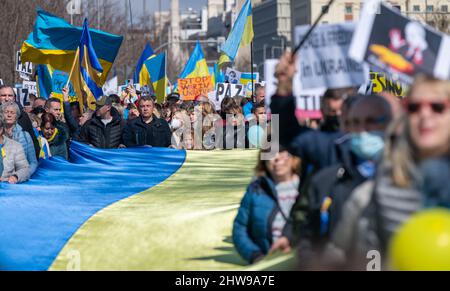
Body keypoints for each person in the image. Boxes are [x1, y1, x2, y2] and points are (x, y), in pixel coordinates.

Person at [233, 148, 301, 263]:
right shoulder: (255, 191)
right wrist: (255, 255)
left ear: (294, 157)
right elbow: (240, 229)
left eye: (283, 152)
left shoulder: (310, 186)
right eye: (271, 153)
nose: (277, 158)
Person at [0, 85, 40, 158]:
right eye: (3, 95)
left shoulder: (23, 116)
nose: (6, 98)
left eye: (10, 95)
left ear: (14, 98)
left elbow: (33, 141)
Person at [1, 101, 38, 176]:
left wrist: (22, 175)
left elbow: (33, 162)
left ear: (16, 116)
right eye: (6, 112)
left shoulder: (25, 135)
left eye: (12, 113)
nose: (9, 115)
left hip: (21, 179)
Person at [0, 116, 30, 184]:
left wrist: (15, 176)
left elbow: (25, 169)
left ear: (1, 130)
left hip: (7, 186)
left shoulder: (15, 146)